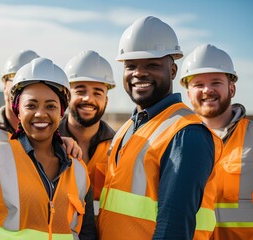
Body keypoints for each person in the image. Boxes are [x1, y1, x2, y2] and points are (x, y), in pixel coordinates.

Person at [97, 16, 223, 239]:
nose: (139, 73)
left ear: (173, 71)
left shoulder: (186, 133)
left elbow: (173, 227)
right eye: (131, 65)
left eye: (152, 65)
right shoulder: (130, 126)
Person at [0, 57, 97, 239]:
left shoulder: (78, 170)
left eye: (51, 106)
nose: (41, 113)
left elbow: (87, 234)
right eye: (31, 105)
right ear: (18, 110)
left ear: (61, 111)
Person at [180, 43, 253, 240]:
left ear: (232, 88)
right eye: (198, 84)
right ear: (188, 94)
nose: (207, 90)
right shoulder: (176, 140)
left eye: (215, 82)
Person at [60, 50, 116, 212]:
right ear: (66, 95)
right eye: (80, 90)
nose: (88, 98)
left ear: (106, 100)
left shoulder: (118, 147)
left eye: (97, 93)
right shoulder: (47, 141)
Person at [0, 49, 40, 134]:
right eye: (18, 83)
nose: (26, 92)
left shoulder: (57, 136)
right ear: (5, 87)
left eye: (35, 85)